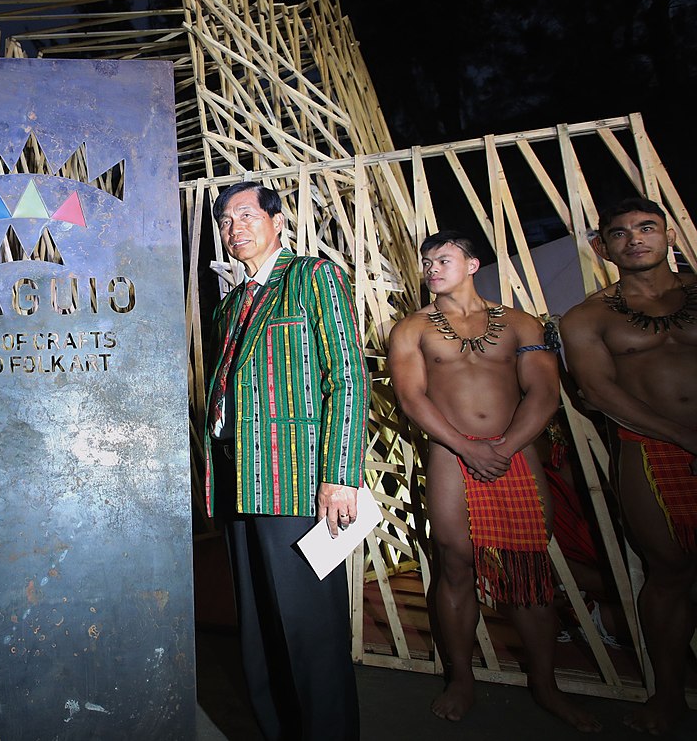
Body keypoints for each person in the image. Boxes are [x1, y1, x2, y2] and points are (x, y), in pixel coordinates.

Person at [387, 231, 600, 731]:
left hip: (514, 453)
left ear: (473, 263)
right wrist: (466, 447)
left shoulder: (520, 322)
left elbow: (544, 391)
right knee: (456, 564)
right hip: (450, 453)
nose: (431, 268)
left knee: (529, 569)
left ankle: (546, 686)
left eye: (443, 259)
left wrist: (502, 448)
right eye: (425, 261)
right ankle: (461, 679)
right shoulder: (411, 330)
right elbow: (412, 397)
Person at [203, 181, 369, 741]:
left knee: (308, 628)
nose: (235, 228)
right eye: (226, 221)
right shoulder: (229, 304)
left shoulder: (312, 278)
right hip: (235, 478)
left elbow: (345, 377)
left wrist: (340, 476)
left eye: (246, 215)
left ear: (277, 220)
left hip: (295, 479)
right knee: (257, 628)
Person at [560, 197, 697, 735]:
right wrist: (683, 436)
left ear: (668, 235)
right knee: (669, 573)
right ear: (603, 246)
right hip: (651, 449)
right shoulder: (587, 317)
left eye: (647, 228)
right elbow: (598, 389)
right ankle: (667, 694)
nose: (635, 239)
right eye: (620, 233)